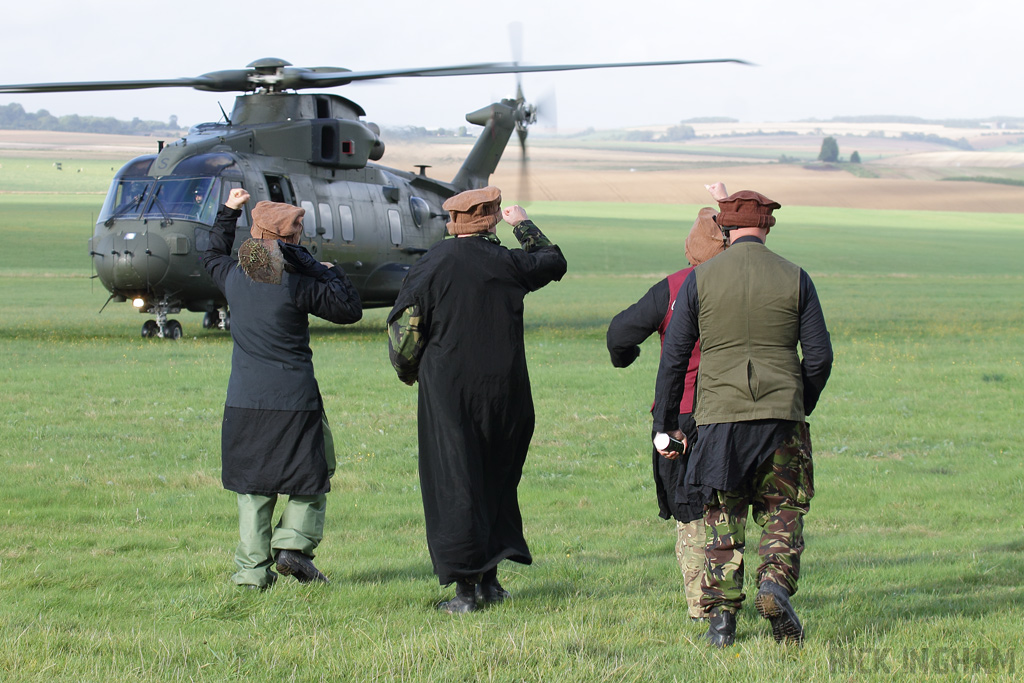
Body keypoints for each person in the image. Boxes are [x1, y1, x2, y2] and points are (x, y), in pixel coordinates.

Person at [651, 188, 833, 647]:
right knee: (783, 511)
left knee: (721, 514)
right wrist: (798, 402)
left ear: (726, 229)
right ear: (768, 226)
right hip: (781, 420)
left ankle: (721, 621)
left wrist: (665, 423)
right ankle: (772, 585)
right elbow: (820, 357)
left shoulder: (701, 279)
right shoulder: (796, 277)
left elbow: (674, 357)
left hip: (717, 420)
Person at [386, 186, 567, 613]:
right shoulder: (507, 263)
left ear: (453, 222)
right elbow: (553, 261)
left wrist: (409, 373)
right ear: (491, 219)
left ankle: (466, 594)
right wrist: (523, 223)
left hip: (450, 395)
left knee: (455, 484)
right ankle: (491, 583)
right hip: (506, 395)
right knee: (497, 483)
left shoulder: (430, 265)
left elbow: (404, 334)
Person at [202, 188, 363, 590]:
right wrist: (326, 270)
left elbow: (210, 255)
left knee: (253, 488)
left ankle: (251, 575)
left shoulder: (233, 277)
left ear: (254, 234)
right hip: (294, 400)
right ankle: (293, 545)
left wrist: (227, 211)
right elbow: (349, 310)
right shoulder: (297, 284)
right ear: (292, 242)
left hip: (243, 401)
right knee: (313, 474)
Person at [606, 183, 729, 623]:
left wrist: (628, 356)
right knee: (728, 509)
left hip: (680, 416)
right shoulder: (739, 282)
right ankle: (730, 597)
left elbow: (620, 334)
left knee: (691, 511)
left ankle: (704, 608)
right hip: (734, 413)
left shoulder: (675, 287)